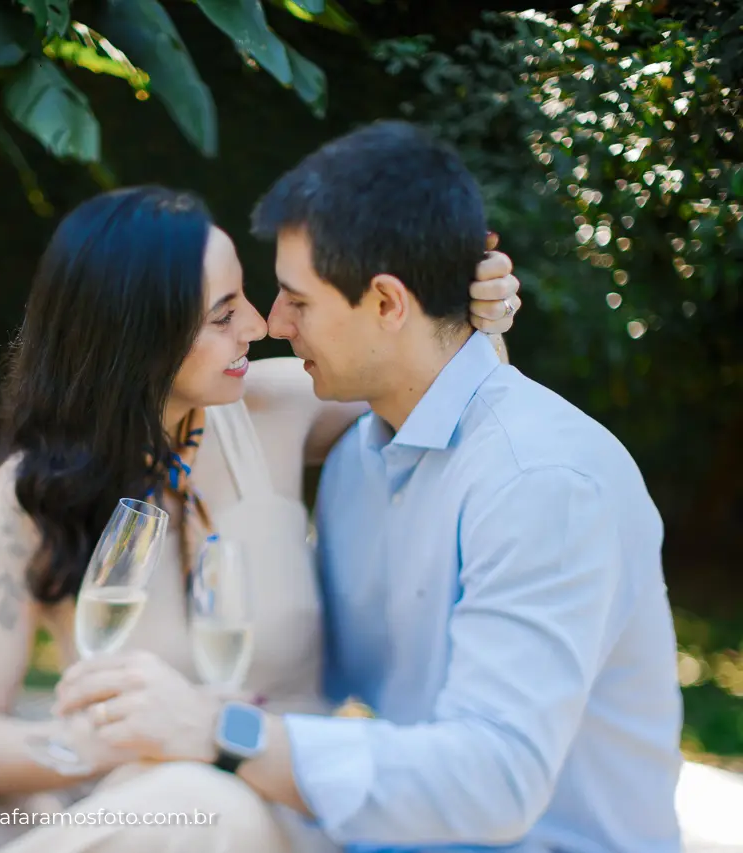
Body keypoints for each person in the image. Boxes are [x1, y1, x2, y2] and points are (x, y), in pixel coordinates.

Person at [0, 184, 523, 853]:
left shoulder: (273, 409)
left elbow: (446, 398)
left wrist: (472, 313)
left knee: (203, 809)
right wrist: (104, 749)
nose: (259, 325)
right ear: (138, 340)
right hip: (97, 814)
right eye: (221, 312)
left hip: (254, 817)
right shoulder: (28, 496)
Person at [53, 121, 685, 852]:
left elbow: (495, 784)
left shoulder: (544, 481)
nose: (271, 323)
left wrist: (220, 730)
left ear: (387, 303)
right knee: (174, 807)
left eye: (298, 299)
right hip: (386, 839)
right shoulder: (359, 458)